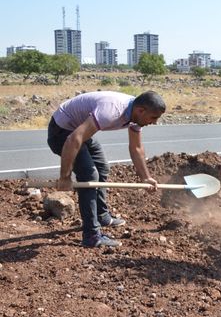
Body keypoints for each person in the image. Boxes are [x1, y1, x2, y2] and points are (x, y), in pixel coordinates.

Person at [47, 90, 166, 248]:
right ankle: (91, 236)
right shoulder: (112, 111)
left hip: (77, 130)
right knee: (89, 176)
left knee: (102, 167)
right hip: (62, 132)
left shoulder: (136, 114)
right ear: (141, 111)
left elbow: (136, 148)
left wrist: (146, 177)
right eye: (153, 118)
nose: (155, 122)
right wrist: (65, 177)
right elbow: (73, 139)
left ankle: (101, 216)